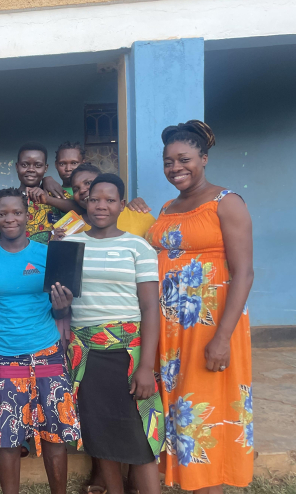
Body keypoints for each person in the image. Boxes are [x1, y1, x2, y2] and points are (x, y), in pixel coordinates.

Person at [146, 120, 254, 492]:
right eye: (168, 161)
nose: (175, 167)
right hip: (170, 331)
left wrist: (222, 338)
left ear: (203, 159)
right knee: (181, 413)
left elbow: (244, 274)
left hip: (209, 326)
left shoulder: (227, 202)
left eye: (184, 159)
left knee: (205, 413)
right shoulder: (167, 207)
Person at [0, 188, 81, 494]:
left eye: (16, 212)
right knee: (7, 440)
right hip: (5, 356)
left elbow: (61, 309)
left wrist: (63, 306)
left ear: (27, 216)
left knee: (54, 436)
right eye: (3, 213)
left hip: (47, 353)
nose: (10, 219)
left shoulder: (47, 254)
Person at [64, 174, 163, 494]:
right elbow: (61, 306)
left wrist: (146, 366)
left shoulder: (138, 247)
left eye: (109, 200)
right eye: (94, 199)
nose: (101, 206)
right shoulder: (70, 245)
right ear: (85, 202)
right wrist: (59, 304)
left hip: (129, 354)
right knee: (100, 432)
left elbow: (150, 308)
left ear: (122, 205)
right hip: (86, 355)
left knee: (141, 435)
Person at [0, 142, 72, 244]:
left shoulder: (54, 194)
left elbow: (80, 210)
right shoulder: (6, 199)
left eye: (38, 165)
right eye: (24, 165)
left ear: (45, 168)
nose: (31, 169)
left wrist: (48, 199)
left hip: (49, 254)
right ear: (17, 166)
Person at [70, 163, 157, 238]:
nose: (82, 190)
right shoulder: (71, 226)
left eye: (88, 183)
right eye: (76, 189)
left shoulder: (140, 216)